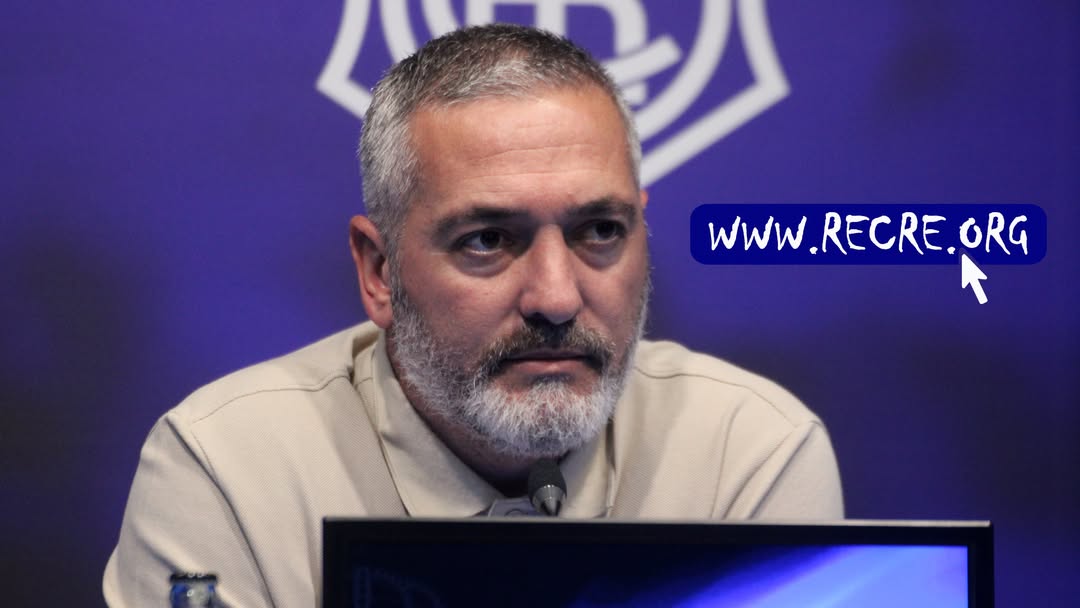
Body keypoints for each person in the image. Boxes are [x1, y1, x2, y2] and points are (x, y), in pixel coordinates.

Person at [104, 24, 843, 607]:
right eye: (487, 240)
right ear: (380, 270)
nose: (555, 298)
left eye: (599, 231)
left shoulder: (748, 452)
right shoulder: (230, 468)